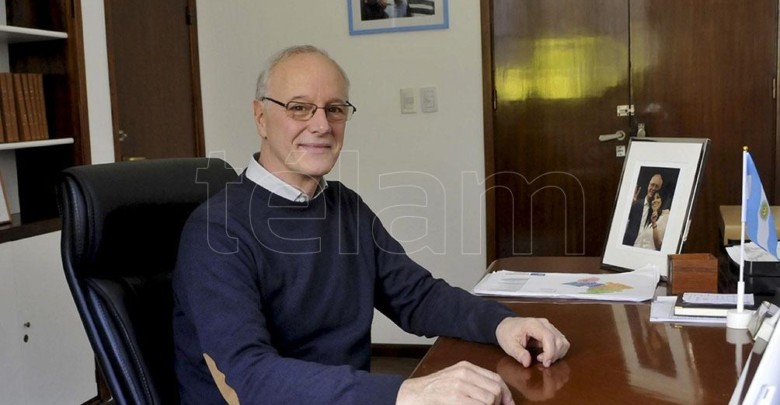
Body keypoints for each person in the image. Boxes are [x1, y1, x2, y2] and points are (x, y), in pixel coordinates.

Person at [172, 45, 569, 405]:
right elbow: (251, 377)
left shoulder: (344, 205)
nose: (321, 125)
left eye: (335, 108)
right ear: (261, 117)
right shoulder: (215, 231)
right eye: (299, 107)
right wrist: (405, 392)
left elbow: (416, 296)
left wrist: (502, 323)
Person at [623, 173, 663, 246]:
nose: (653, 188)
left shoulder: (658, 213)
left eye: (657, 186)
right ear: (648, 185)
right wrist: (629, 205)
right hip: (628, 245)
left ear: (659, 190)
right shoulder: (635, 204)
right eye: (652, 185)